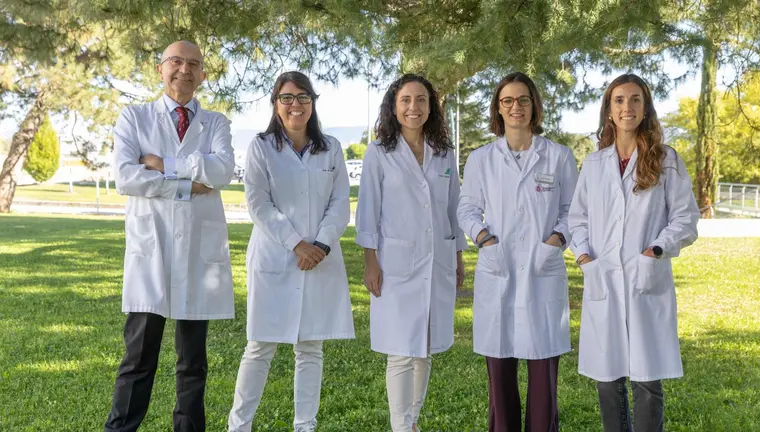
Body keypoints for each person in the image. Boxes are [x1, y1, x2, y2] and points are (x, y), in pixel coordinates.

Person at [106, 40, 236, 432]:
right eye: (176, 61)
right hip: (153, 251)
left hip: (198, 253)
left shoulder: (216, 123)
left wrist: (163, 165)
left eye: (194, 64)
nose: (185, 69)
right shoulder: (134, 117)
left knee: (192, 362)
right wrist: (184, 185)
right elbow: (126, 177)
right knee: (138, 358)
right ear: (160, 69)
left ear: (203, 74)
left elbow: (222, 172)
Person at [568, 73, 700, 432]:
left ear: (645, 108)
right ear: (609, 111)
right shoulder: (594, 165)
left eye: (635, 99)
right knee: (607, 379)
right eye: (619, 100)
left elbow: (686, 219)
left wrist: (655, 249)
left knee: (647, 380)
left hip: (646, 278)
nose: (627, 107)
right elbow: (576, 219)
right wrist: (584, 257)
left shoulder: (666, 159)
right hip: (605, 280)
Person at [227, 71, 355, 432]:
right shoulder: (261, 146)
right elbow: (258, 202)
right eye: (286, 98)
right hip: (275, 257)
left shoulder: (331, 147)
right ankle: (239, 426)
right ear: (275, 104)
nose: (295, 104)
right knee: (260, 348)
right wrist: (297, 243)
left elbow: (341, 201)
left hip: (320, 258)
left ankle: (305, 426)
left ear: (312, 102)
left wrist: (321, 245)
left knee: (310, 348)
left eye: (302, 97)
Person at [457, 72, 578, 432]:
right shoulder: (481, 159)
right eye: (507, 101)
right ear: (498, 108)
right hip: (499, 267)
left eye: (523, 100)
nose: (516, 107)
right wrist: (484, 240)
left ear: (534, 105)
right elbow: (466, 209)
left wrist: (555, 241)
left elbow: (574, 210)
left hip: (543, 270)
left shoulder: (558, 156)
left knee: (543, 373)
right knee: (500, 371)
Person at [355, 73, 468, 432]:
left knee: (426, 346)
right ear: (394, 105)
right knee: (402, 350)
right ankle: (400, 426)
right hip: (395, 261)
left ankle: (412, 422)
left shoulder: (445, 152)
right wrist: (370, 260)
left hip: (437, 260)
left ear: (431, 106)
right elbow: (368, 209)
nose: (413, 108)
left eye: (421, 100)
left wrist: (458, 255)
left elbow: (453, 208)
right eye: (405, 100)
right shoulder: (379, 152)